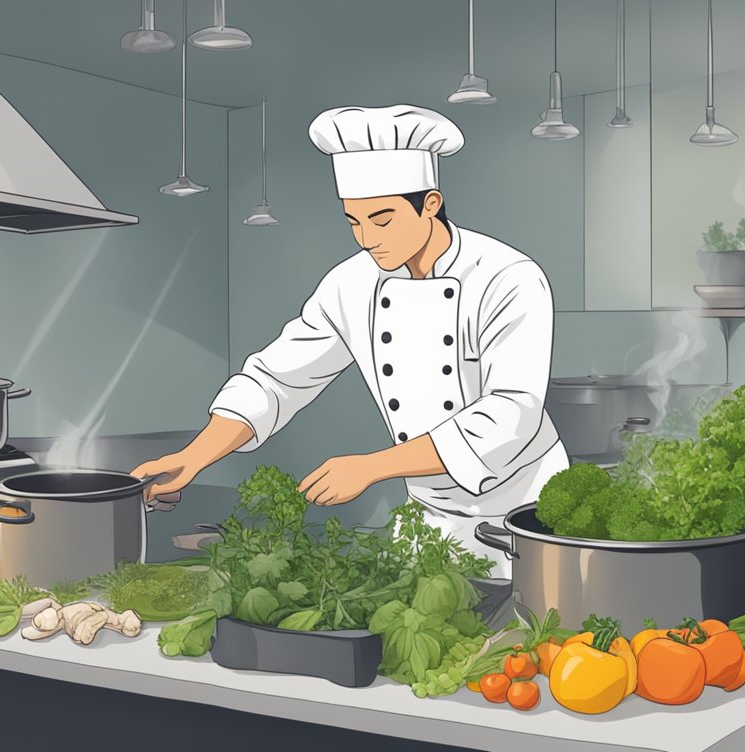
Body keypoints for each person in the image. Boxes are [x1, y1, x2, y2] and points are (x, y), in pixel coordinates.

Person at [131, 104, 567, 574]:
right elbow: (275, 380)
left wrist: (371, 467)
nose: (366, 239)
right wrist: (193, 457)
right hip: (430, 519)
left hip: (528, 513)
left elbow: (509, 413)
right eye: (353, 222)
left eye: (382, 220)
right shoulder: (352, 284)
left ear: (431, 205)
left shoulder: (508, 277)